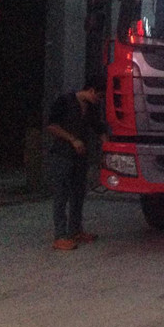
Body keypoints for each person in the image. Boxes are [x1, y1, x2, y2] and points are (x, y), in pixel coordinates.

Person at [45, 75, 107, 251]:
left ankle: (75, 230)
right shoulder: (64, 101)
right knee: (61, 194)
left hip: (80, 156)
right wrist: (72, 139)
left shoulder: (91, 108)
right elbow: (51, 126)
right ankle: (60, 235)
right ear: (91, 90)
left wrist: (106, 146)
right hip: (62, 154)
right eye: (99, 96)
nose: (99, 100)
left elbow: (98, 127)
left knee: (78, 193)